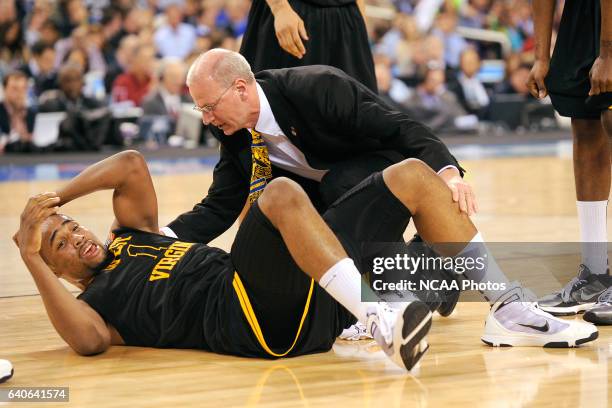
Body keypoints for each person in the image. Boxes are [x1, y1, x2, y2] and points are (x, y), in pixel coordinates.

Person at [15, 151, 597, 372]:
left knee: (412, 176)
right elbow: (88, 344)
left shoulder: (130, 236)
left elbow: (132, 164)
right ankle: (379, 315)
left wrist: (57, 200)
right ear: (59, 272)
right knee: (280, 193)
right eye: (61, 246)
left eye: (72, 230)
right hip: (247, 319)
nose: (75, 240)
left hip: (308, 306)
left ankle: (508, 309)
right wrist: (30, 252)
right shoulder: (94, 303)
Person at [165, 49, 477, 247]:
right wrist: (158, 238)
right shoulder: (232, 131)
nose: (206, 120)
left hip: (381, 171)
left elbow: (399, 127)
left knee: (337, 182)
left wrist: (447, 173)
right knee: (273, 221)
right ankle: (424, 272)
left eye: (209, 107)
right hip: (334, 199)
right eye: (200, 110)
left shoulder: (318, 87)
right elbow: (220, 206)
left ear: (240, 89)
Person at [527, 0, 612, 324]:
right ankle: (595, 274)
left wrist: (608, 53)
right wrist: (541, 56)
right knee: (585, 124)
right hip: (582, 14)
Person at [238, 0, 377, 92]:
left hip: (347, 16)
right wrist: (280, 8)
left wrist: (361, 19)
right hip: (293, 14)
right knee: (279, 111)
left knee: (359, 114)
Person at [0, 71, 37, 154]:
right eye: (15, 89)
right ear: (4, 89)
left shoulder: (31, 113)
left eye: (23, 89)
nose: (20, 94)